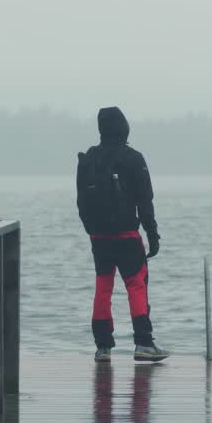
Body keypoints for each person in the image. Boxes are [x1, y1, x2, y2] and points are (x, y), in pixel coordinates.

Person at [76, 106, 171, 362]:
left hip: (99, 239)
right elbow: (145, 201)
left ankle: (103, 348)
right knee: (136, 285)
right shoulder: (134, 158)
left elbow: (81, 203)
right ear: (124, 126)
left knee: (102, 288)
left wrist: (92, 231)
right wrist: (153, 235)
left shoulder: (89, 159)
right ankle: (143, 343)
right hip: (128, 236)